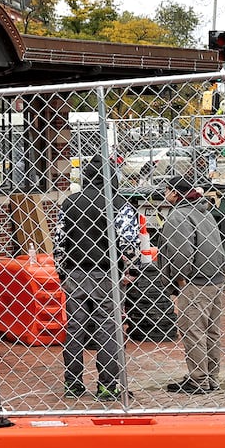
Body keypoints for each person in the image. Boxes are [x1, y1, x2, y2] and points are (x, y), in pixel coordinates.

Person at [53, 158, 140, 401]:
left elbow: (59, 241)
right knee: (107, 328)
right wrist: (132, 271)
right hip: (107, 273)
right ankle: (108, 385)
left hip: (75, 272)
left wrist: (62, 271)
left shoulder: (69, 203)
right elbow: (129, 242)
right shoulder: (119, 203)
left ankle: (73, 384)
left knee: (75, 327)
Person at [157, 174, 225, 393]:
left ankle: (198, 380)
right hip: (214, 276)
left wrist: (179, 278)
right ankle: (211, 377)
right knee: (211, 330)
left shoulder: (178, 215)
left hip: (195, 280)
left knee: (193, 330)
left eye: (167, 189)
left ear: (176, 193)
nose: (164, 193)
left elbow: (181, 251)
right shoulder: (202, 209)